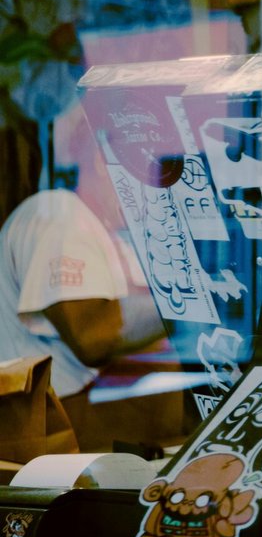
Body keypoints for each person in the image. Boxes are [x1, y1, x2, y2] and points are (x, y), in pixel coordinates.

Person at [1, 131, 165, 438]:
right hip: (54, 446)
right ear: (104, 161)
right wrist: (191, 304)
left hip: (116, 450)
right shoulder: (59, 215)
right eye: (150, 165)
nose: (159, 182)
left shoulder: (115, 237)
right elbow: (93, 337)